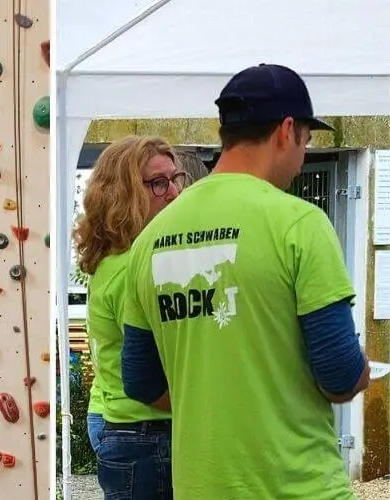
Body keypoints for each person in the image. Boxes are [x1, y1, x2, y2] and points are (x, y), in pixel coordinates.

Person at [121, 64, 371, 500]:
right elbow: (339, 376)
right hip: (299, 488)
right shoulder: (299, 223)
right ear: (286, 130)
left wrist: (215, 401)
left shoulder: (150, 240)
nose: (301, 160)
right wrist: (364, 373)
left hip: (203, 487)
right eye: (306, 142)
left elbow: (140, 382)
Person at [73, 136, 188, 499]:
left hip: (124, 421)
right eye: (158, 183)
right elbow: (148, 376)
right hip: (145, 430)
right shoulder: (133, 266)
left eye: (175, 178)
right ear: (123, 195)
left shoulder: (122, 256)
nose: (173, 192)